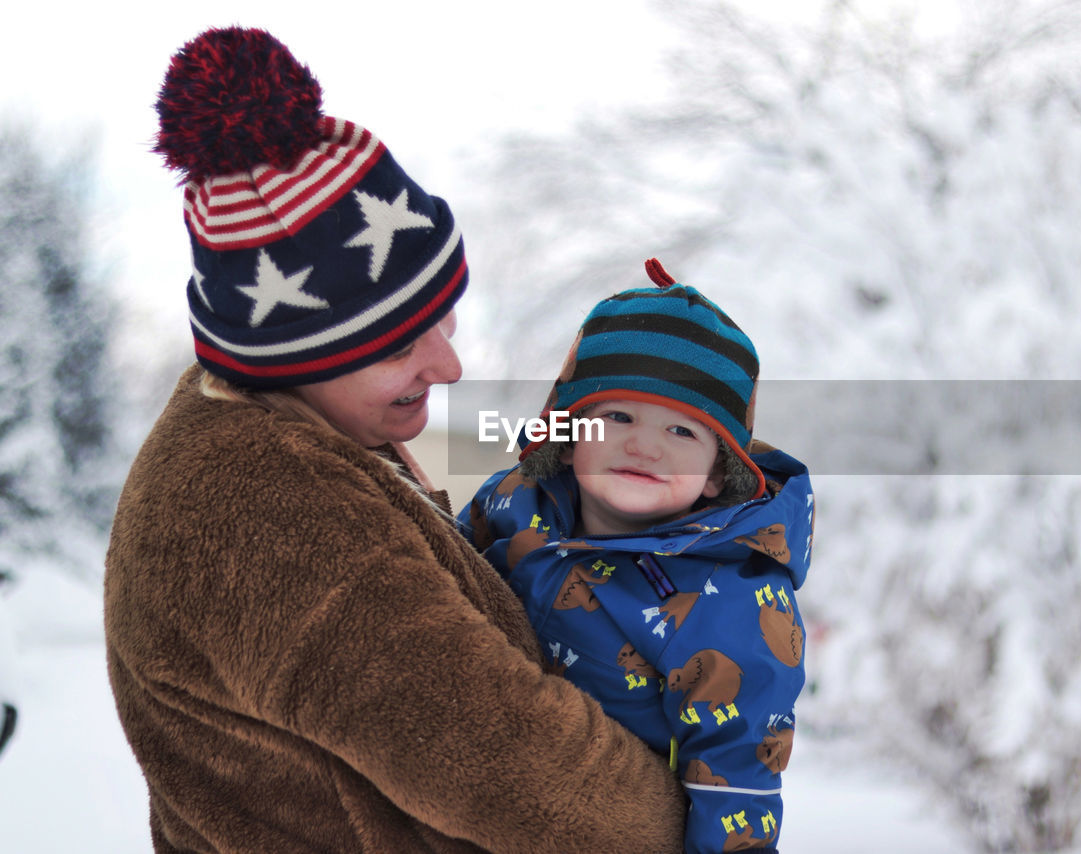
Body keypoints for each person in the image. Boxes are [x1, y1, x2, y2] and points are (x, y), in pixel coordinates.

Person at [103, 27, 686, 854]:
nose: (447, 364)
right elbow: (530, 777)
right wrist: (704, 808)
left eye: (442, 316)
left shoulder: (293, 427)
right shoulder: (267, 508)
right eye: (400, 343)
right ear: (295, 354)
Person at [460, 259, 815, 853]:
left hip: (602, 823)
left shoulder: (733, 602)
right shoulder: (513, 501)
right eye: (618, 416)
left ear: (715, 474)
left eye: (682, 432)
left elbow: (738, 780)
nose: (644, 444)